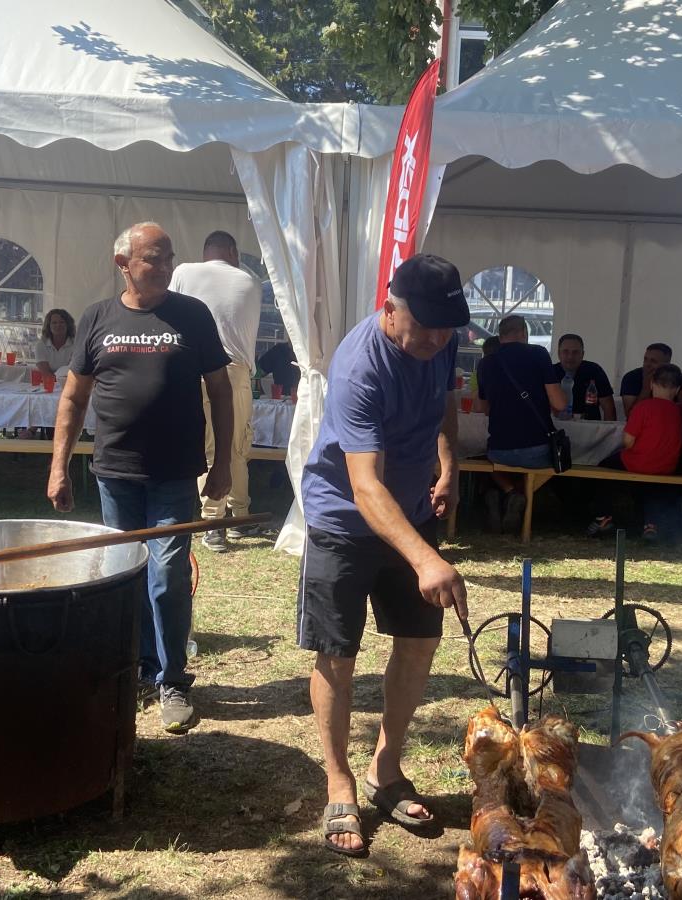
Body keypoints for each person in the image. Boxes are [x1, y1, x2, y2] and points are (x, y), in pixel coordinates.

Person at [298, 253, 469, 857]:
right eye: (424, 327)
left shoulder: (441, 339)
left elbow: (445, 400)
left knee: (419, 642)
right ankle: (338, 779)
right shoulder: (358, 367)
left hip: (414, 513)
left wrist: (448, 464)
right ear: (388, 308)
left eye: (447, 329)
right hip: (344, 519)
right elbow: (365, 486)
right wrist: (426, 559)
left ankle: (385, 768)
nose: (436, 340)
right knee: (338, 653)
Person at [47, 222, 233, 734]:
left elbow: (220, 390)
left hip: (175, 474)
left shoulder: (192, 315)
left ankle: (172, 678)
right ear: (123, 263)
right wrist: (58, 466)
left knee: (168, 574)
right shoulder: (97, 318)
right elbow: (74, 397)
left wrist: (223, 465)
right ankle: (136, 670)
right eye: (156, 257)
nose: (167, 266)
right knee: (126, 575)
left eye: (170, 256)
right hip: (116, 473)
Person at [169, 231, 263, 553]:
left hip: (193, 369)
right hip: (236, 370)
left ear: (205, 251)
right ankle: (238, 516)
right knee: (237, 446)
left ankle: (214, 523)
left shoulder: (183, 272)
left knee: (209, 447)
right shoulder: (252, 282)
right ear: (233, 253)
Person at [475, 314, 567, 533]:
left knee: (483, 457)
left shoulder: (486, 363)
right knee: (536, 466)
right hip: (537, 449)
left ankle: (508, 492)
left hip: (499, 450)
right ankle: (518, 497)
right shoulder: (538, 354)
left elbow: (483, 409)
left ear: (500, 336)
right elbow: (559, 404)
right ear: (524, 333)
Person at [588, 363, 682, 540]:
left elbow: (628, 441)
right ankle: (651, 524)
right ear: (677, 389)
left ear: (652, 384)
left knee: (601, 469)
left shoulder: (643, 407)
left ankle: (602, 516)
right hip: (667, 466)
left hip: (637, 462)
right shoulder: (679, 411)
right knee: (654, 488)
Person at [554, 333, 614, 421]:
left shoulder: (595, 371)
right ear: (559, 353)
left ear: (582, 354)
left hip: (589, 427)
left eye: (575, 352)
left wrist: (608, 433)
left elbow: (608, 407)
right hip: (557, 425)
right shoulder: (550, 372)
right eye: (565, 351)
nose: (570, 357)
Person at [620, 342, 672, 418]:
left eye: (653, 361)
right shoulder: (631, 378)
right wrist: (646, 387)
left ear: (667, 364)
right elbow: (631, 416)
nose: (647, 364)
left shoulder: (674, 378)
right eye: (645, 359)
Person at [34, 308, 76, 375]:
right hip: (47, 383)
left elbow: (75, 371)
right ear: (48, 326)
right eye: (54, 323)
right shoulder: (41, 345)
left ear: (68, 325)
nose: (58, 325)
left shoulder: (76, 344)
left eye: (62, 322)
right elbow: (45, 373)